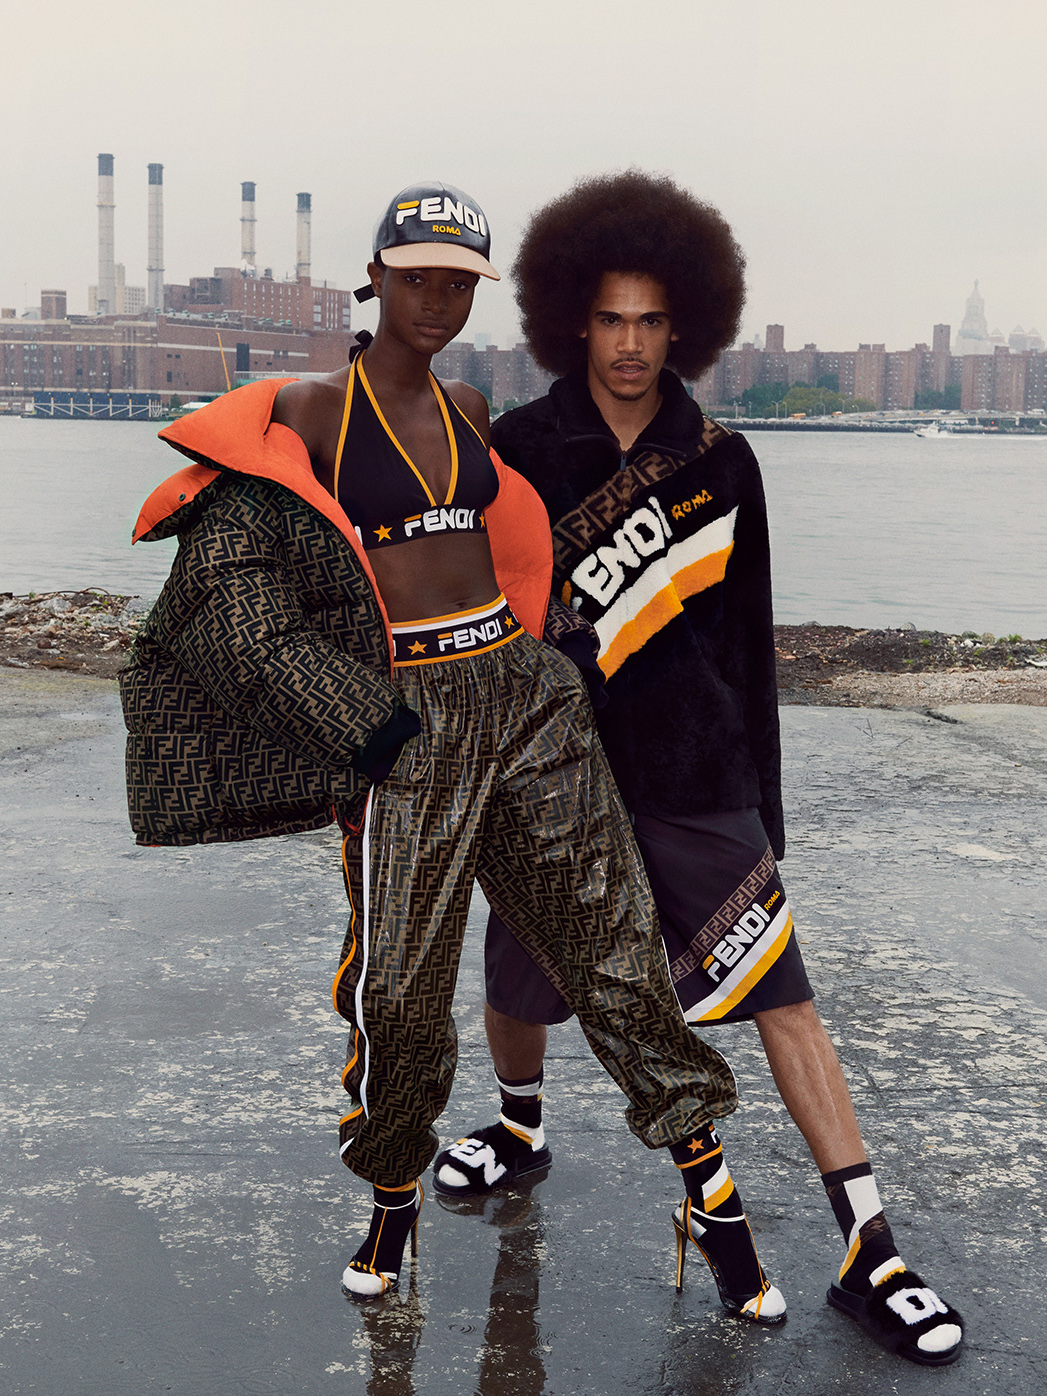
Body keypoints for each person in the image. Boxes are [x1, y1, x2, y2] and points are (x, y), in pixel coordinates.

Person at [120, 181, 785, 1322]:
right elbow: (229, 593)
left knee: (615, 949)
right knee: (401, 985)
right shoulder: (309, 413)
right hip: (408, 719)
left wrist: (558, 653)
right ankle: (393, 1198)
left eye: (459, 282)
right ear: (374, 276)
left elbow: (518, 542)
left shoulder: (472, 408)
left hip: (522, 697)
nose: (436, 299)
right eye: (416, 275)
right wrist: (360, 722)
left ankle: (714, 1201)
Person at [430, 170, 964, 1368]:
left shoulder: (725, 461)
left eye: (651, 321)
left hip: (697, 774)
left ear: (687, 328)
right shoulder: (516, 451)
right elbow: (474, 622)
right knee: (517, 985)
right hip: (553, 777)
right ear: (574, 321)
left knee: (784, 998)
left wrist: (764, 811)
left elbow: (747, 645)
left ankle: (870, 1248)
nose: (629, 344)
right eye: (609, 319)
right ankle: (521, 1130)